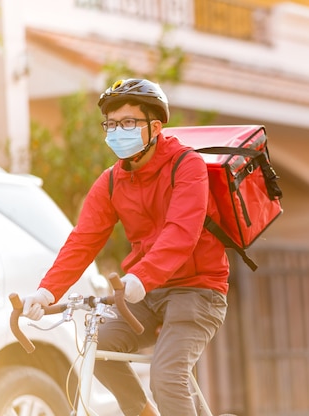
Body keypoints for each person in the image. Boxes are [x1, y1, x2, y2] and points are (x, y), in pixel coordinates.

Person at [21, 78, 229, 416]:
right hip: (146, 293)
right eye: (112, 124)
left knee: (167, 376)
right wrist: (46, 293)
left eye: (128, 123)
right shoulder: (112, 180)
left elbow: (181, 232)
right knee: (96, 347)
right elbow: (83, 240)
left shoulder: (186, 165)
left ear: (155, 127)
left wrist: (142, 277)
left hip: (198, 289)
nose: (118, 131)